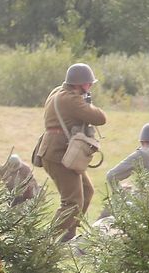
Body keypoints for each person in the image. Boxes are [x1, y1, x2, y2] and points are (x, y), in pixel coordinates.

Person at [37, 63, 107, 242]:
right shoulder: (71, 99)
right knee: (72, 202)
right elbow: (100, 118)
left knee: (87, 190)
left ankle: (68, 235)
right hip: (59, 153)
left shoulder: (57, 93)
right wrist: (87, 102)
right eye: (88, 84)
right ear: (79, 83)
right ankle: (44, 242)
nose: (90, 87)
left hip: (59, 151)